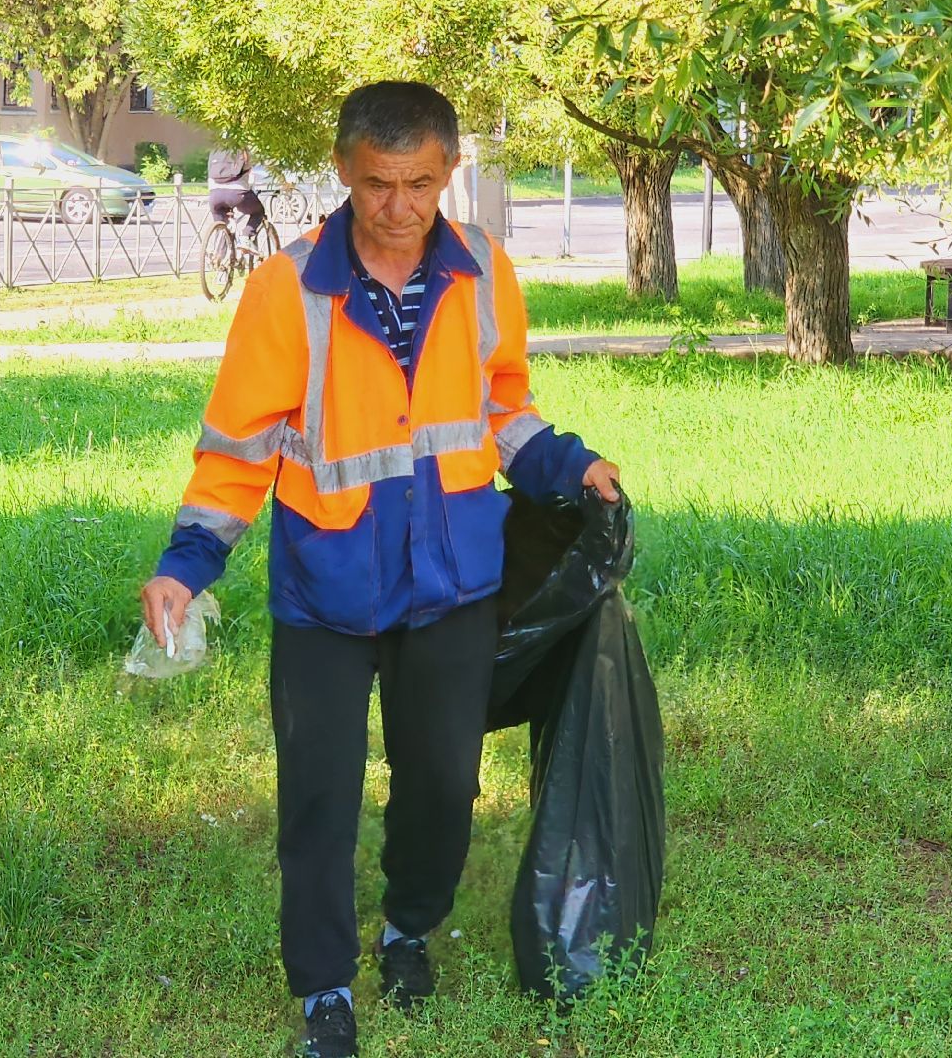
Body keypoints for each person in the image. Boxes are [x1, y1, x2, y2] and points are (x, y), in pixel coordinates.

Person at [142, 81, 621, 1058]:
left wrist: (569, 464)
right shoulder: (288, 288)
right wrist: (187, 564)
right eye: (376, 186)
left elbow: (501, 408)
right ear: (343, 172)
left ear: (449, 173)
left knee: (443, 784)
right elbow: (238, 448)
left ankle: (410, 928)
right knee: (318, 799)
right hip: (326, 593)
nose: (399, 209)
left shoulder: (483, 271)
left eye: (419, 185)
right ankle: (324, 989)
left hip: (451, 587)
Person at [208, 145, 267, 233]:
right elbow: (249, 166)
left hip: (214, 195)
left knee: (221, 229)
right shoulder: (242, 149)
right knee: (258, 212)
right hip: (237, 194)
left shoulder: (215, 150)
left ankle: (220, 244)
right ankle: (247, 235)